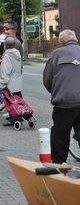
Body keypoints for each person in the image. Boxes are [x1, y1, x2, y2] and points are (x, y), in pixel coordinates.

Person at [43, 29, 80, 164]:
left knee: (60, 136)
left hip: (64, 104)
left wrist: (57, 91)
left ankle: (59, 166)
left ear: (61, 42)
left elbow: (47, 80)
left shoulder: (56, 54)